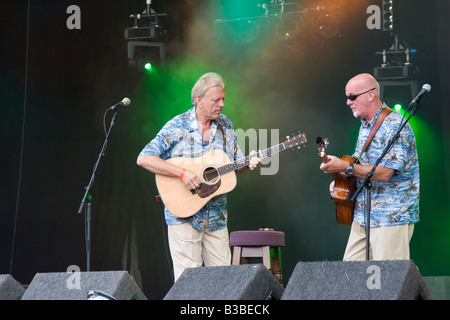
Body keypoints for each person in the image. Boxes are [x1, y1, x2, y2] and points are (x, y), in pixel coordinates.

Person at [137, 72, 261, 281]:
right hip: (183, 215)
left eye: (223, 99)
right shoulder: (177, 126)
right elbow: (144, 158)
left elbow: (236, 165)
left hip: (216, 217)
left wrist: (248, 163)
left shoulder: (226, 125)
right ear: (199, 101)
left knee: (224, 284)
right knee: (190, 285)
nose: (221, 104)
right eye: (216, 100)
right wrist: (182, 173)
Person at [320, 73, 420, 261]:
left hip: (391, 216)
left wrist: (346, 166)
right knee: (350, 274)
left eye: (352, 96)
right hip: (363, 214)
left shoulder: (394, 125)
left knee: (390, 282)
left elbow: (385, 173)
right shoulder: (365, 125)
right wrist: (341, 179)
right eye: (347, 97)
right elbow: (361, 168)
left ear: (370, 95)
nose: (348, 102)